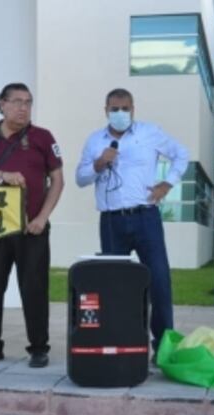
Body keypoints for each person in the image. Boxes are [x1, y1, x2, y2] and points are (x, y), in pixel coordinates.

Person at [75, 88, 189, 359]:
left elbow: (181, 154)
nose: (120, 114)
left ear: (133, 109)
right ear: (105, 110)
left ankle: (163, 348)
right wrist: (99, 163)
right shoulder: (94, 141)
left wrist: (167, 183)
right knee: (117, 286)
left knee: (159, 281)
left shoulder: (150, 132)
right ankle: (124, 343)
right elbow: (80, 178)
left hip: (145, 217)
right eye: (114, 109)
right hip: (112, 221)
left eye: (125, 108)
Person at [0, 83, 65, 369]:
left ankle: (38, 348)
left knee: (34, 289)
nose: (23, 107)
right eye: (17, 101)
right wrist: (2, 175)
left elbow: (57, 180)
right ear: (2, 104)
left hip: (31, 228)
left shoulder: (42, 137)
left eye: (28, 102)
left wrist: (42, 218)